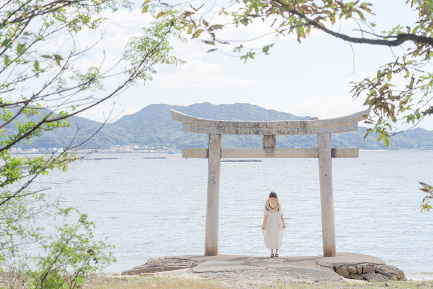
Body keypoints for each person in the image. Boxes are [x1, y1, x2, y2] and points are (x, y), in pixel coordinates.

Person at [262, 191, 286, 257]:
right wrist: (264, 224)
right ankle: (274, 252)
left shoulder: (277, 205)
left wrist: (283, 223)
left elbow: (280, 215)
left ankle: (273, 252)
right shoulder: (268, 205)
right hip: (275, 222)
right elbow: (266, 215)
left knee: (273, 236)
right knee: (274, 237)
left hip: (273, 222)